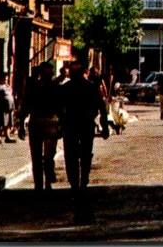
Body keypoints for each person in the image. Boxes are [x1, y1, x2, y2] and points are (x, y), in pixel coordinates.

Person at [59, 61, 106, 222]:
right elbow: (102, 107)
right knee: (80, 155)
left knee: (77, 155)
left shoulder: (76, 88)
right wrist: (104, 126)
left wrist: (104, 126)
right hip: (79, 126)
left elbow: (101, 107)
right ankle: (79, 182)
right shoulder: (87, 87)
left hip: (78, 126)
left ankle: (78, 182)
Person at [18, 64, 61, 190]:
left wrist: (21, 124)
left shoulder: (33, 87)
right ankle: (46, 183)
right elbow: (61, 108)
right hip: (49, 122)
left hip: (38, 122)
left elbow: (25, 106)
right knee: (48, 156)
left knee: (37, 157)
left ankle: (40, 185)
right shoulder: (55, 87)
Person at [0, 72, 16, 144]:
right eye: (4, 78)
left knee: (7, 123)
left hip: (8, 108)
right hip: (1, 107)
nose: (5, 79)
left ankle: (7, 137)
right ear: (0, 78)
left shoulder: (7, 85)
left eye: (6, 78)